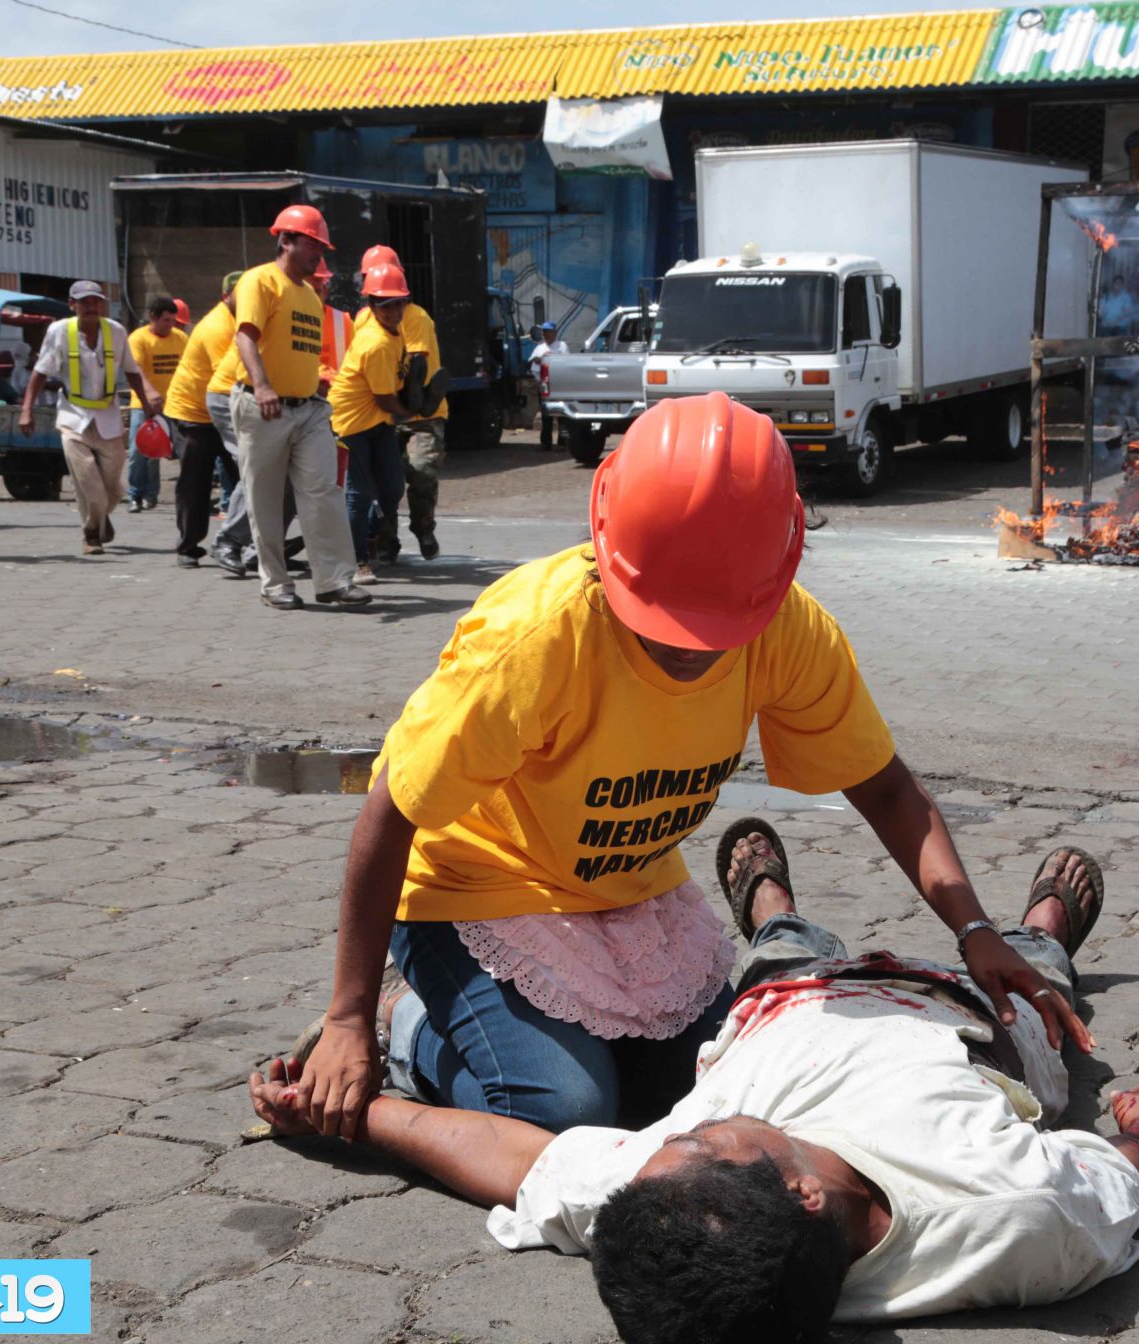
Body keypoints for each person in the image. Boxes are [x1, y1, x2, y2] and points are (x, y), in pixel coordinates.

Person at [291, 391, 1093, 1151]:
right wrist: (348, 1018)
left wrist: (976, 930)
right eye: (661, 620)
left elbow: (886, 789)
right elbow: (391, 812)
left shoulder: (789, 632)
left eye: (712, 626)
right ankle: (411, 1027)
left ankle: (502, 1032)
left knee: (712, 1090)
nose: (686, 647)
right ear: (609, 544)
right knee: (566, 1117)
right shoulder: (533, 639)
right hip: (473, 892)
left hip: (626, 890)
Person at [251, 835, 1139, 1342]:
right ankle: (1044, 923)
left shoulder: (675, 1223)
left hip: (781, 1004)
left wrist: (350, 1115)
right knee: (1037, 982)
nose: (669, 1136)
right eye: (702, 1141)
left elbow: (517, 1160)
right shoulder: (1020, 1217)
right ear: (803, 1194)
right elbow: (1130, 1171)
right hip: (977, 1024)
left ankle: (773, 907)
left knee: (776, 963)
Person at [222, 204, 365, 610]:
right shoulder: (259, 281)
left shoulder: (307, 294)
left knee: (323, 490)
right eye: (312, 245)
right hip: (262, 406)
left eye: (322, 247)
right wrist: (264, 385)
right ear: (285, 240)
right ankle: (275, 584)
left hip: (309, 409)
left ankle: (334, 580)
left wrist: (313, 379)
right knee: (264, 497)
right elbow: (246, 337)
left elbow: (298, 348)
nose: (319, 255)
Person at [20, 281, 156, 557]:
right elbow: (41, 371)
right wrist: (26, 409)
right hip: (73, 417)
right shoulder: (59, 331)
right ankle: (91, 534)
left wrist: (147, 400)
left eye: (95, 302)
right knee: (89, 483)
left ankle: (100, 517)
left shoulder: (116, 331)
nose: (91, 307)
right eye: (84, 302)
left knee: (114, 490)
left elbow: (131, 369)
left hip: (108, 417)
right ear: (72, 304)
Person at [356, 244, 448, 562]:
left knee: (421, 470)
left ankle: (423, 527)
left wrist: (409, 406)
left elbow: (416, 367)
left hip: (421, 412)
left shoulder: (415, 317)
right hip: (382, 413)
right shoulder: (361, 320)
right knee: (384, 484)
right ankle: (386, 541)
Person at [333, 264, 410, 585]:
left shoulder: (393, 332)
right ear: (372, 307)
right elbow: (384, 398)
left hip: (376, 422)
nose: (393, 311)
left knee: (392, 488)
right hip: (352, 424)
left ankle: (364, 539)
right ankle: (355, 560)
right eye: (385, 305)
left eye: (398, 304)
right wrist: (415, 411)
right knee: (358, 493)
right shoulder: (376, 343)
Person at [166, 272, 244, 569]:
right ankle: (188, 545)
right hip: (193, 414)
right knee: (195, 481)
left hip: (224, 411)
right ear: (226, 296)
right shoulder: (217, 327)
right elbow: (230, 379)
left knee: (244, 477)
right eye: (241, 294)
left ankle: (243, 541)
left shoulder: (245, 320)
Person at [125, 297, 188, 512]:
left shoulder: (180, 338)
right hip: (142, 403)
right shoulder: (138, 339)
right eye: (166, 321)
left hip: (173, 405)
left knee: (157, 453)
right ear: (153, 317)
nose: (170, 325)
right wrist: (149, 394)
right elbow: (135, 370)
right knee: (136, 451)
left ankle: (151, 496)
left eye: (173, 321)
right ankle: (134, 494)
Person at [528, 320, 567, 449]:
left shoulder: (562, 346)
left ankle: (563, 442)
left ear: (554, 333)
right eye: (544, 332)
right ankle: (546, 443)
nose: (546, 335)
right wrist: (539, 381)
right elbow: (534, 366)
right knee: (546, 415)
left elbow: (567, 364)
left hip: (560, 385)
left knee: (562, 415)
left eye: (549, 332)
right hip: (545, 385)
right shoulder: (539, 348)